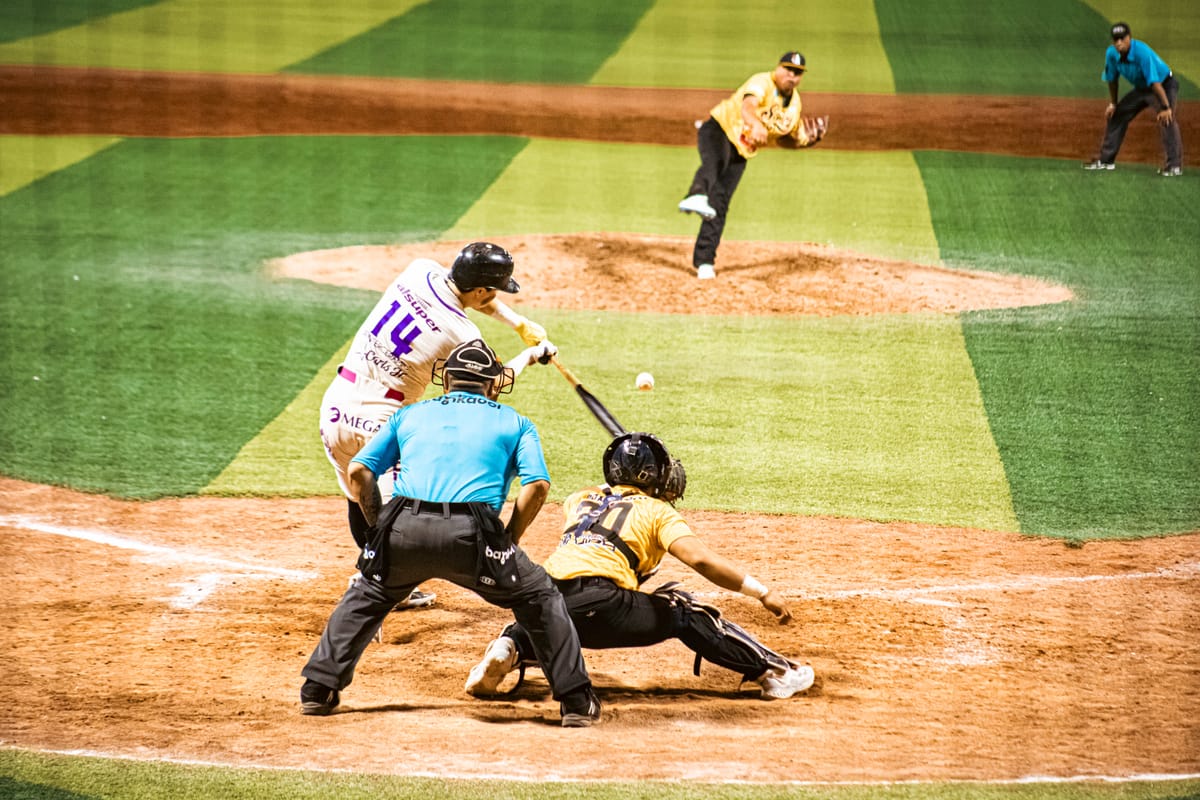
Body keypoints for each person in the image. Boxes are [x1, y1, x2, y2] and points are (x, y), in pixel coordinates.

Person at [301, 338, 602, 727]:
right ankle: (577, 702)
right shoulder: (515, 422)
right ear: (493, 386)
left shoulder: (409, 415)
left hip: (403, 527)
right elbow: (538, 486)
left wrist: (379, 530)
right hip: (473, 536)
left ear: (447, 382)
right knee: (539, 596)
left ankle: (317, 689)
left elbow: (359, 472)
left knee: (369, 591)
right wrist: (508, 538)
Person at [464, 432, 815, 703]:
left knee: (544, 616)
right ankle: (773, 673)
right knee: (685, 609)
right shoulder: (658, 512)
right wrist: (762, 592)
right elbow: (701, 560)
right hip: (603, 607)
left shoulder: (579, 500)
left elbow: (611, 495)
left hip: (543, 600)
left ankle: (508, 648)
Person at [319, 241, 556, 613]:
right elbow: (491, 383)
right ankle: (372, 582)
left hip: (335, 407)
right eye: (492, 289)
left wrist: (519, 323)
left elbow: (472, 296)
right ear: (480, 290)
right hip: (382, 416)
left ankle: (382, 576)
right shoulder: (461, 336)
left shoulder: (419, 269)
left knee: (359, 493)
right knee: (403, 513)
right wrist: (530, 352)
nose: (493, 296)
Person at [678, 51, 829, 280]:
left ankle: (705, 262)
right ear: (778, 68)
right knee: (715, 162)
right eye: (788, 69)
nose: (791, 76)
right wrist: (755, 124)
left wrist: (807, 143)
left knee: (720, 201)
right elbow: (748, 106)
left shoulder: (794, 106)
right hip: (718, 130)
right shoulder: (762, 82)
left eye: (797, 73)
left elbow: (785, 140)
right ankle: (696, 194)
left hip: (742, 152)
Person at [1083, 22, 1183, 176]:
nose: (1119, 43)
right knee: (1117, 115)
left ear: (1129, 38)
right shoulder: (1111, 54)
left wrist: (1165, 107)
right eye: (1115, 40)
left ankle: (1174, 166)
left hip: (1164, 85)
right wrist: (1113, 103)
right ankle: (1106, 161)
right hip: (1142, 89)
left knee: (1166, 119)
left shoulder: (1141, 52)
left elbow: (1155, 83)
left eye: (1122, 39)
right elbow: (1112, 79)